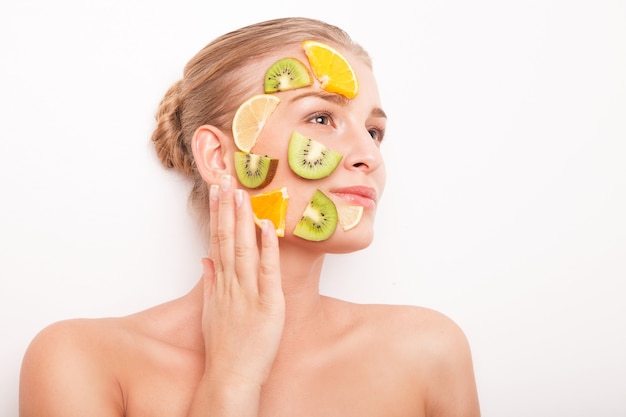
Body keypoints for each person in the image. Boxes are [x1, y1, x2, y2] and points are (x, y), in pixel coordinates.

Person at [19, 17, 480, 417]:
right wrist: (233, 377)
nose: (368, 156)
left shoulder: (429, 352)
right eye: (321, 118)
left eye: (375, 131)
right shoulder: (82, 362)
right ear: (218, 157)